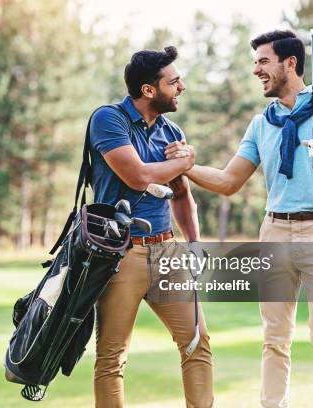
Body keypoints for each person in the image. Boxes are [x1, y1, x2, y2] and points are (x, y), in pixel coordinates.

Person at [173, 30, 313, 408]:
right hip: (274, 230)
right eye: (256, 63)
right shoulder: (262, 123)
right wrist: (186, 166)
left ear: (290, 63)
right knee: (274, 337)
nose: (256, 70)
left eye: (263, 61)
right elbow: (229, 181)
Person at [90, 46, 214, 408]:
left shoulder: (171, 130)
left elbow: (180, 194)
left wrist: (194, 243)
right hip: (120, 253)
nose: (182, 87)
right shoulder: (108, 119)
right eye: (174, 82)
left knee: (197, 342)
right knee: (112, 357)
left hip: (167, 250)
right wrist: (183, 162)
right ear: (148, 90)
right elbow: (138, 176)